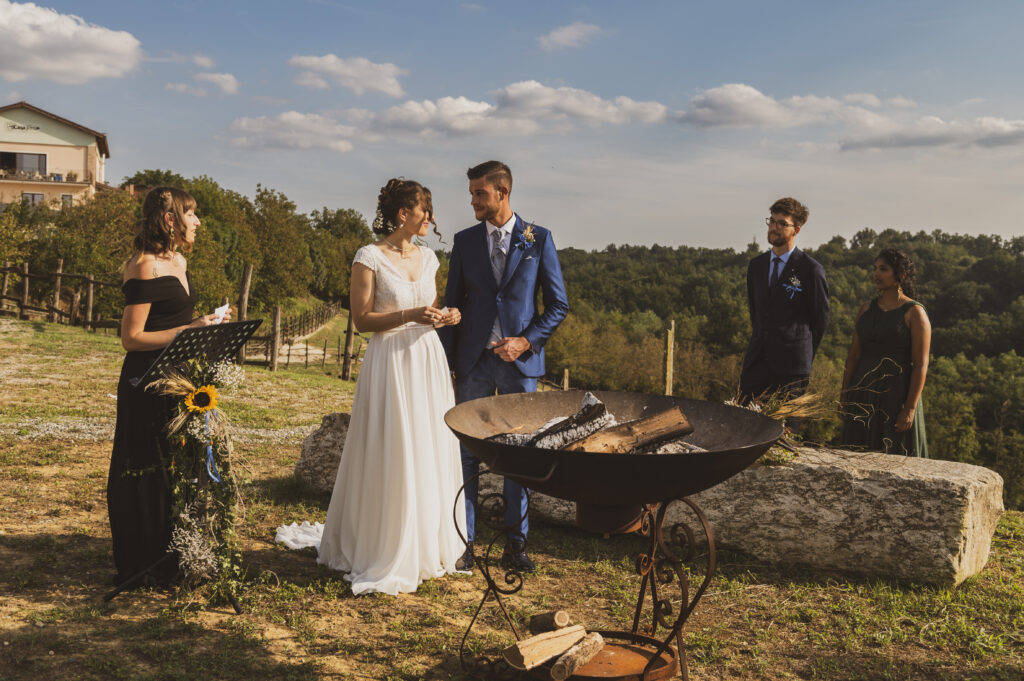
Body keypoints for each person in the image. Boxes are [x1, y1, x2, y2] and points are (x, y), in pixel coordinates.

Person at [314, 178, 467, 595]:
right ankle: (385, 542)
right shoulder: (369, 257)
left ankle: (426, 542)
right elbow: (362, 321)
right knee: (395, 444)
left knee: (427, 444)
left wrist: (446, 315)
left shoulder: (430, 258)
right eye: (425, 212)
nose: (430, 219)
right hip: (391, 361)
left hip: (427, 358)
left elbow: (430, 308)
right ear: (405, 214)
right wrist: (411, 314)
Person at [440, 161, 569, 573]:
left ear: (503, 192)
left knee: (519, 455)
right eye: (472, 193)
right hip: (473, 364)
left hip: (519, 366)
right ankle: (466, 542)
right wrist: (447, 362)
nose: (473, 200)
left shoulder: (539, 239)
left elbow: (559, 305)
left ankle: (517, 546)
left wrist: (526, 340)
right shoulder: (464, 241)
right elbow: (453, 305)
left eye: (480, 193)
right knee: (466, 453)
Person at [109, 186, 229, 587]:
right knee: (147, 466)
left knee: (178, 466)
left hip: (178, 377)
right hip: (145, 380)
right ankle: (144, 560)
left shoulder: (177, 260)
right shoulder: (144, 266)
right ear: (169, 220)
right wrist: (188, 329)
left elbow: (176, 321)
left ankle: (177, 554)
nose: (197, 222)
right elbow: (132, 338)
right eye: (191, 214)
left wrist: (206, 328)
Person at [739, 197, 830, 408]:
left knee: (785, 432)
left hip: (791, 366)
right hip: (757, 362)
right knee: (745, 425)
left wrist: (803, 352)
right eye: (772, 221)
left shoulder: (810, 269)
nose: (774, 227)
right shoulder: (756, 266)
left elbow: (821, 319)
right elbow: (756, 312)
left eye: (782, 223)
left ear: (796, 230)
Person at [840, 249, 930, 457]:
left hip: (895, 395)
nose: (876, 274)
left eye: (884, 269)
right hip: (862, 393)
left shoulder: (915, 313)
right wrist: (844, 396)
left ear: (901, 275)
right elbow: (853, 356)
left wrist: (909, 408)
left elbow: (920, 365)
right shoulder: (865, 309)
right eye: (875, 269)